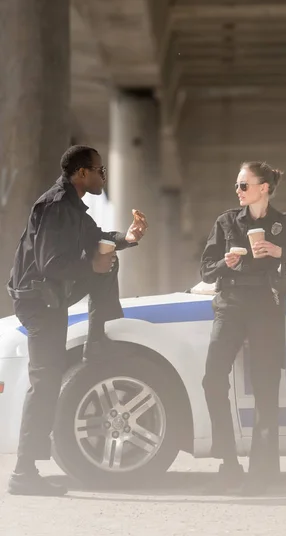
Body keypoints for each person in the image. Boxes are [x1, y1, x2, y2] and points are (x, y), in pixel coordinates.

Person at [7, 145, 148, 496]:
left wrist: (126, 239)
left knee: (108, 256)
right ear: (82, 173)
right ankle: (24, 472)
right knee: (45, 381)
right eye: (101, 170)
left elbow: (96, 237)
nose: (104, 176)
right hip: (38, 301)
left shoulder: (72, 206)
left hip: (52, 295)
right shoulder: (55, 206)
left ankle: (96, 340)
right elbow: (49, 263)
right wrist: (90, 266)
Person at [200, 161, 286, 495]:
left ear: (264, 188)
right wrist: (224, 263)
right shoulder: (226, 221)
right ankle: (228, 463)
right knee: (212, 379)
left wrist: (280, 251)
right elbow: (205, 270)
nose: (238, 191)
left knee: (265, 389)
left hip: (265, 308)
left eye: (244, 185)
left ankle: (261, 472)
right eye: (237, 185)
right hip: (229, 307)